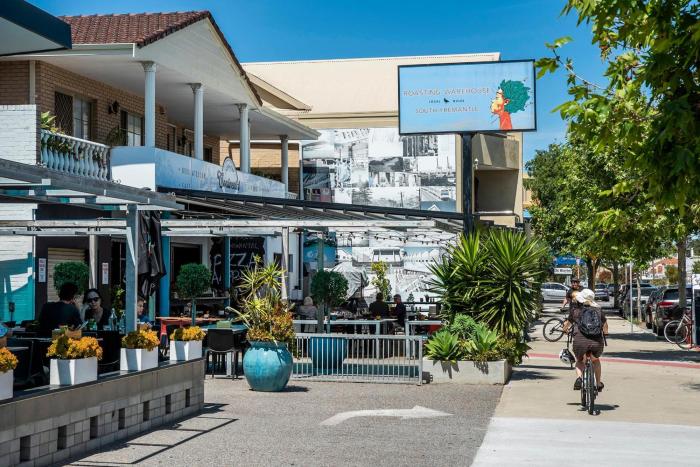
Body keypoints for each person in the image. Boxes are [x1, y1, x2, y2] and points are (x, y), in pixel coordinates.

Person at [563, 288, 608, 392]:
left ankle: (579, 378)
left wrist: (564, 330)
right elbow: (605, 326)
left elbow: (567, 325)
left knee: (580, 360)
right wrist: (605, 333)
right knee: (595, 360)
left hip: (580, 342)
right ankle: (598, 383)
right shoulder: (599, 310)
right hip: (596, 342)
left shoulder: (575, 311)